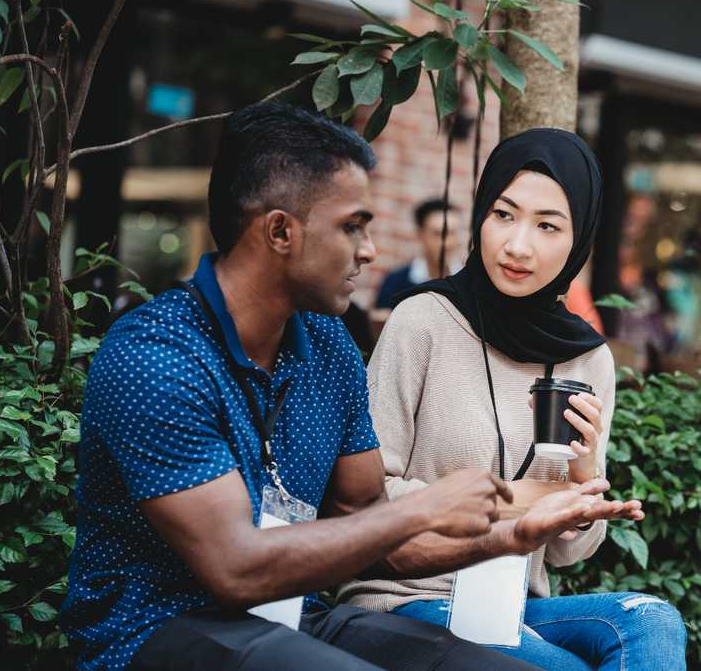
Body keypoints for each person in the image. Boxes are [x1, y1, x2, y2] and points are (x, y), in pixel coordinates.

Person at [60, 103, 621, 671]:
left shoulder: (329, 348)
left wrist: (510, 535)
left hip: (296, 617)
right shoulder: (153, 358)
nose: (371, 249)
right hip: (155, 631)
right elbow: (236, 569)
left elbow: (372, 525)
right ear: (281, 230)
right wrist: (425, 507)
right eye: (353, 226)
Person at [340, 128, 688, 670]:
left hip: (512, 604)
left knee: (652, 618)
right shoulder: (424, 321)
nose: (517, 244)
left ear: (579, 239)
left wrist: (585, 474)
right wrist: (515, 501)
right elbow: (364, 494)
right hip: (404, 597)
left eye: (548, 225)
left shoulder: (587, 359)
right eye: (504, 214)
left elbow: (568, 553)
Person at [374, 198, 462, 310]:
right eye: (438, 234)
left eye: (453, 233)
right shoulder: (395, 282)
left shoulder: (470, 284)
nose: (448, 243)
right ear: (420, 235)